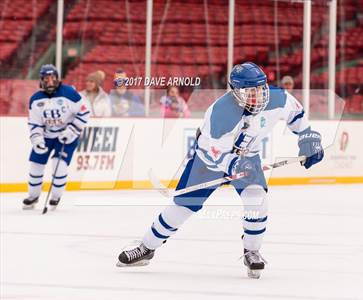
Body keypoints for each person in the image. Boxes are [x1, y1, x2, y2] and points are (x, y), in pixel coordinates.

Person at [116, 62, 324, 278]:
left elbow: (296, 115)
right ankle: (146, 247)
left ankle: (252, 251)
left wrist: (307, 137)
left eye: (260, 89)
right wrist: (234, 167)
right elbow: (216, 156)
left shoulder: (278, 98)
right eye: (249, 91)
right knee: (182, 207)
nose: (258, 96)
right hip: (206, 161)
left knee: (258, 200)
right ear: (235, 92)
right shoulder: (220, 113)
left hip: (248, 157)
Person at [23, 64, 90, 211]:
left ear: (58, 78)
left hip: (66, 136)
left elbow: (85, 112)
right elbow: (34, 123)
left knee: (58, 166)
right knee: (36, 165)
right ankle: (33, 196)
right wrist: (37, 140)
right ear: (41, 80)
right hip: (46, 137)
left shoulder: (69, 93)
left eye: (53, 78)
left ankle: (55, 196)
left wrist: (72, 130)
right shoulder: (35, 100)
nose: (50, 81)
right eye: (46, 78)